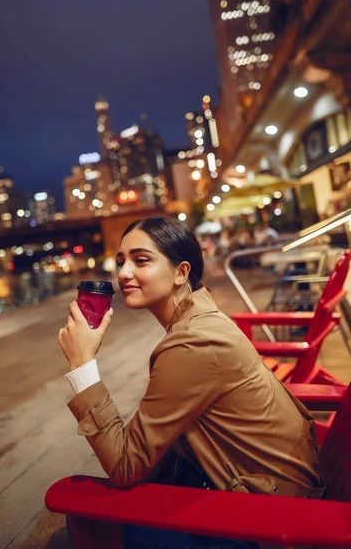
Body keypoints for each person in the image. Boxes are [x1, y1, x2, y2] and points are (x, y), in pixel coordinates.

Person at [58, 216, 325, 549]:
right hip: (275, 488)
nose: (124, 273)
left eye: (141, 260)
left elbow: (125, 465)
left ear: (181, 272)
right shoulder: (202, 318)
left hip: (269, 516)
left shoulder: (192, 344)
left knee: (79, 526)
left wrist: (82, 364)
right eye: (122, 261)